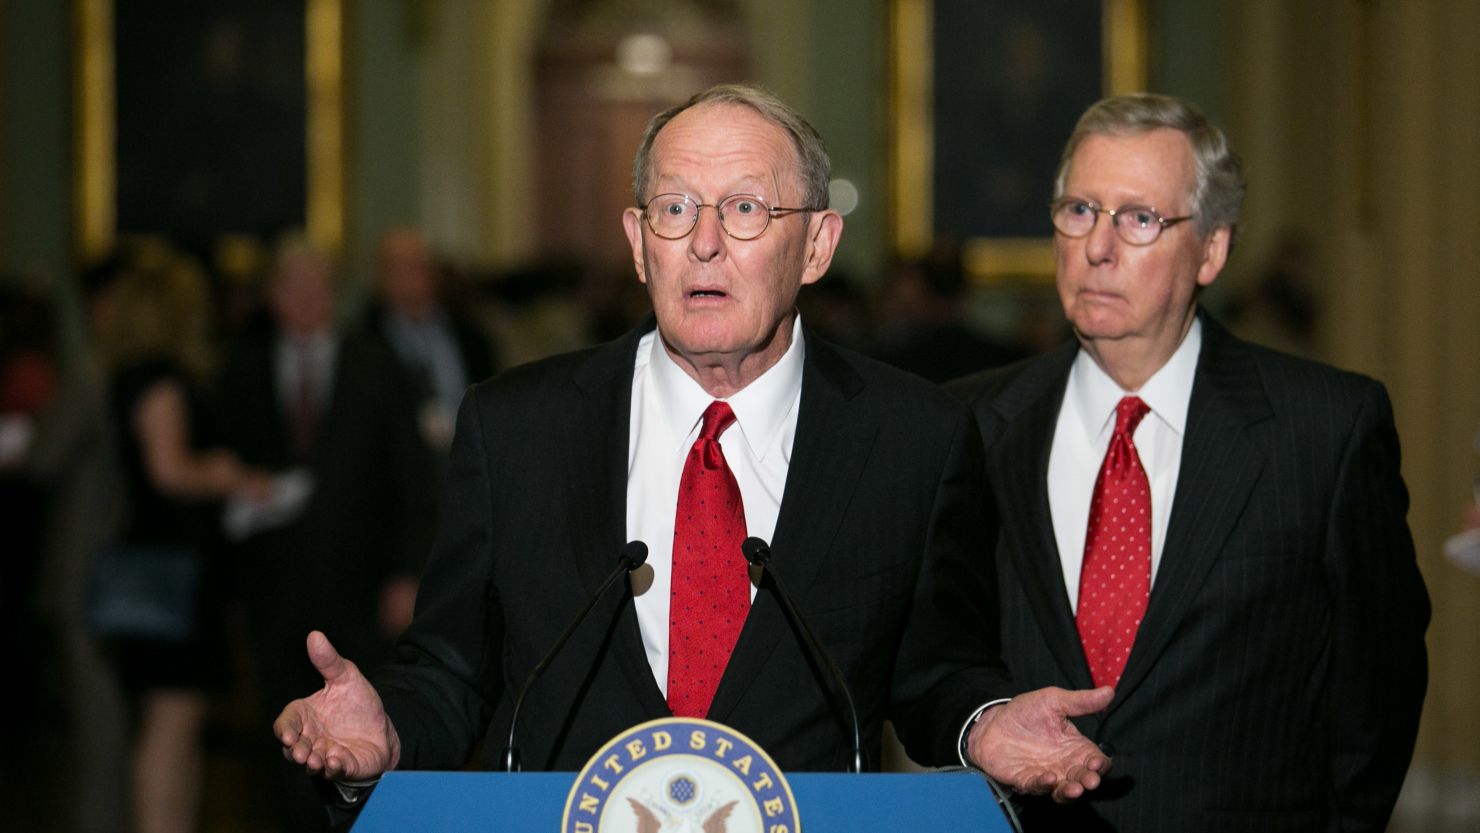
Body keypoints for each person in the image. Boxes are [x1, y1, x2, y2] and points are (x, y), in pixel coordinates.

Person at [273, 83, 1112, 812]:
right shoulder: (515, 427)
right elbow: (452, 668)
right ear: (640, 242)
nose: (704, 242)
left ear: (816, 245)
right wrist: (386, 726)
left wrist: (983, 721)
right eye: (676, 208)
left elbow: (935, 670)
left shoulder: (911, 437)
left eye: (746, 208)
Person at [949, 93, 1430, 831]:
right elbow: (935, 657)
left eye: (1139, 219)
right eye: (1080, 210)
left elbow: (1377, 689)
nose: (1098, 248)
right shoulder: (969, 426)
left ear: (1211, 249)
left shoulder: (1323, 430)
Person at [216, 238, 436, 831]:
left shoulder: (375, 360)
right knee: (281, 733)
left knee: (367, 724)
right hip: (273, 586)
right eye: (292, 285)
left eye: (318, 285)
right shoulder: (242, 364)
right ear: (272, 295)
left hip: (361, 583)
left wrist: (406, 574)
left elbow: (411, 474)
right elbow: (220, 466)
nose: (306, 298)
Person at [94, 243, 273, 833]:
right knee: (172, 724)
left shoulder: (126, 375)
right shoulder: (161, 379)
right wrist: (225, 474)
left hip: (157, 567)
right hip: (170, 576)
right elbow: (168, 469)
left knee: (174, 725)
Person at [362, 227, 499, 459]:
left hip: (471, 451)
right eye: (398, 267)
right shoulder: (365, 343)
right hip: (400, 462)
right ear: (380, 278)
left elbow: (495, 398)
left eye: (418, 265)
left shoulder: (471, 335)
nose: (410, 276)